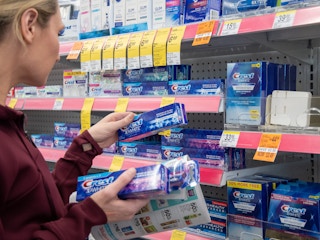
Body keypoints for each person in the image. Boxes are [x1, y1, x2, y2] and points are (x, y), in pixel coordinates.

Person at [0, 0, 149, 239]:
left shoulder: (8, 123)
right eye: (58, 33)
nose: (59, 55)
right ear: (29, 25)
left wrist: (86, 146)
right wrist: (90, 214)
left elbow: (36, 209)